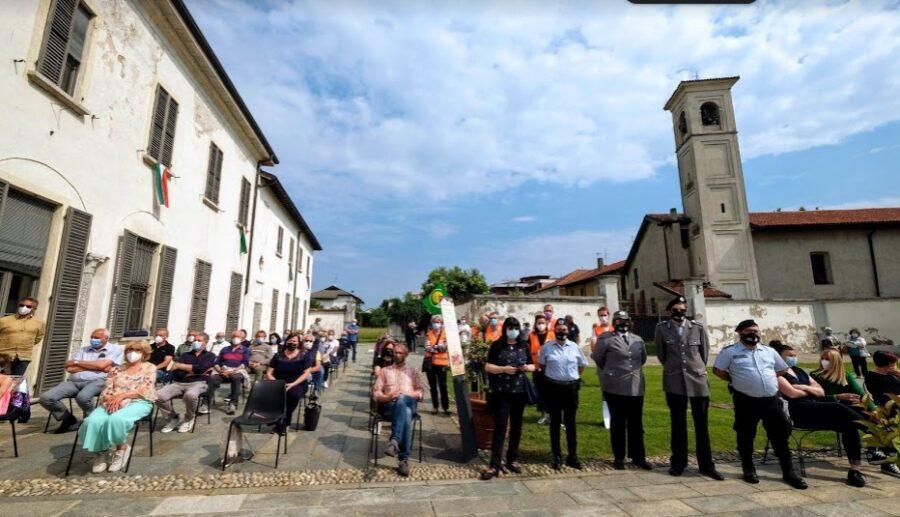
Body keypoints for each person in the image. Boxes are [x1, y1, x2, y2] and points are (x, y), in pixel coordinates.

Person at [713, 319, 807, 489]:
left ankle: (789, 472)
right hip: (745, 400)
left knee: (780, 435)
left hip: (770, 400)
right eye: (749, 331)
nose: (753, 334)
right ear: (740, 333)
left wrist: (765, 378)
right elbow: (718, 370)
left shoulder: (769, 351)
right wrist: (735, 379)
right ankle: (748, 469)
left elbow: (781, 369)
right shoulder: (730, 352)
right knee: (746, 434)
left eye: (756, 331)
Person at [770, 342, 868, 487]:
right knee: (838, 407)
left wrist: (803, 387)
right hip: (797, 413)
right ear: (779, 357)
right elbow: (792, 393)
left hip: (814, 410)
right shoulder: (777, 374)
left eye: (795, 355)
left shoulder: (799, 371)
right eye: (789, 355)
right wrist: (809, 390)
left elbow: (820, 392)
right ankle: (874, 431)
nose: (793, 358)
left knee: (849, 425)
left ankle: (855, 470)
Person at [655, 297, 721, 479]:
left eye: (682, 310)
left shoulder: (697, 328)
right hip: (674, 381)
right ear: (669, 311)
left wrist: (695, 369)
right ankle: (678, 463)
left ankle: (707, 465)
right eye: (675, 309)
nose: (679, 313)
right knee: (678, 424)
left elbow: (704, 353)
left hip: (697, 380)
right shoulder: (661, 329)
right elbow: (662, 355)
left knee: (702, 425)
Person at [78, 340, 156, 473]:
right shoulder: (116, 369)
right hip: (112, 401)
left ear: (144, 353)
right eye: (130, 350)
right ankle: (101, 451)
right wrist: (110, 399)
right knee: (92, 421)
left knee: (116, 420)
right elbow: (107, 388)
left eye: (137, 351)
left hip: (138, 401)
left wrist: (122, 396)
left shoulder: (149, 368)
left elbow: (145, 389)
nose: (133, 353)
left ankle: (121, 449)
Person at [593, 310, 652, 471]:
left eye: (625, 320)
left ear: (630, 322)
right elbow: (598, 358)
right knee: (618, 423)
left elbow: (643, 358)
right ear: (614, 322)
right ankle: (619, 457)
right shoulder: (606, 339)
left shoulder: (637, 340)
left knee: (636, 423)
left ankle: (638, 456)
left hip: (635, 386)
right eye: (618, 320)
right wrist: (613, 371)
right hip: (615, 387)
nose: (622, 323)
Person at [40, 328, 122, 434]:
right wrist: (95, 366)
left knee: (83, 397)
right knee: (45, 398)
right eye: (92, 337)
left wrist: (78, 363)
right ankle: (68, 419)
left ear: (106, 338)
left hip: (98, 381)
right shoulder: (84, 349)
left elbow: (102, 366)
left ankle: (94, 421)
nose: (93, 339)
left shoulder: (115, 349)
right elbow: (69, 367)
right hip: (74, 381)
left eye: (96, 338)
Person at [481, 317, 534, 480]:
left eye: (516, 327)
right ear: (505, 329)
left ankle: (512, 459)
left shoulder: (524, 345)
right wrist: (503, 369)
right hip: (502, 392)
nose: (514, 330)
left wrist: (526, 367)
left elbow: (533, 366)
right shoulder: (497, 345)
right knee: (500, 428)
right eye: (511, 327)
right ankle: (494, 464)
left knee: (517, 427)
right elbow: (488, 366)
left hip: (519, 392)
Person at [539, 321, 587, 470]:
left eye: (564, 329)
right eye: (559, 329)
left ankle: (572, 456)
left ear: (568, 331)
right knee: (555, 422)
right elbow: (542, 365)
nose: (562, 332)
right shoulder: (547, 347)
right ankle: (556, 455)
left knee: (570, 423)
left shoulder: (574, 347)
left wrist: (571, 377)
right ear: (554, 330)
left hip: (570, 389)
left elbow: (582, 365)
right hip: (553, 388)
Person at [372, 343, 423, 478]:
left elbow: (420, 392)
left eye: (400, 353)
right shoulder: (385, 371)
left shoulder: (412, 371)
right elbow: (376, 393)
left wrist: (405, 395)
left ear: (406, 355)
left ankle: (395, 440)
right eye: (395, 352)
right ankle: (403, 459)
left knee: (402, 400)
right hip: (389, 406)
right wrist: (387, 396)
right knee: (405, 412)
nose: (396, 355)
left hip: (409, 402)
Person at [156, 332, 217, 433]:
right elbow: (176, 371)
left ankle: (189, 419)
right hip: (180, 382)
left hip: (199, 382)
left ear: (205, 343)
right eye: (194, 340)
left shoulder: (210, 356)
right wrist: (189, 369)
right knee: (158, 395)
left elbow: (201, 369)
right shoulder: (185, 355)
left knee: (190, 395)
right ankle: (173, 418)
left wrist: (181, 366)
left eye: (199, 340)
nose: (195, 342)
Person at [267, 333, 318, 432]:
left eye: (294, 341)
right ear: (286, 342)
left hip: (297, 383)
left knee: (292, 395)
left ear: (299, 343)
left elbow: (306, 373)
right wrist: (277, 383)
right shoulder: (278, 356)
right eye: (290, 340)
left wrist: (293, 384)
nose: (292, 342)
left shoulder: (304, 355)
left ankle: (284, 420)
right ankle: (278, 418)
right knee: (274, 395)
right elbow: (269, 373)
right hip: (279, 383)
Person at [864, 351, 900, 478]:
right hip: (887, 409)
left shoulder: (892, 375)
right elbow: (882, 397)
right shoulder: (874, 377)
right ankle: (888, 461)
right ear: (890, 364)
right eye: (895, 363)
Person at [0, 296, 46, 375]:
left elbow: (38, 338)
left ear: (34, 309)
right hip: (3, 356)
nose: (24, 307)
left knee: (14, 383)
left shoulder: (40, 323)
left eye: (28, 306)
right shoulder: (4, 320)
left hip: (23, 357)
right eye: (21, 305)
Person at [207, 336, 250, 415]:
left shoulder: (245, 350)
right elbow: (216, 362)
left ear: (241, 339)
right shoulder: (225, 349)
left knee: (236, 377)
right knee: (212, 378)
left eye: (238, 337)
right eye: (234, 337)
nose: (236, 338)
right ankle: (206, 402)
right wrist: (220, 371)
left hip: (237, 370)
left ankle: (233, 403)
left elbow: (245, 363)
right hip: (223, 370)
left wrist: (232, 371)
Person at [529, 314, 555, 425]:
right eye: (539, 323)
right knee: (540, 392)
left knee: (552, 392)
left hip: (551, 368)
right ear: (535, 324)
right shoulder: (531, 335)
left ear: (546, 323)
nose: (541, 325)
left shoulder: (552, 334)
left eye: (543, 323)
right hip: (537, 368)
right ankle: (543, 415)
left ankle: (553, 415)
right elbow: (528, 350)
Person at [424, 315, 450, 415]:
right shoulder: (428, 334)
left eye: (438, 321)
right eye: (435, 321)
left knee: (443, 386)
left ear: (441, 323)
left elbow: (445, 347)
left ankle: (446, 407)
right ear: (431, 323)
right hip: (430, 364)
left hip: (442, 364)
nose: (436, 323)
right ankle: (435, 407)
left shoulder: (445, 334)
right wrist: (438, 347)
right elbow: (427, 347)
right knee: (433, 386)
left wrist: (434, 347)